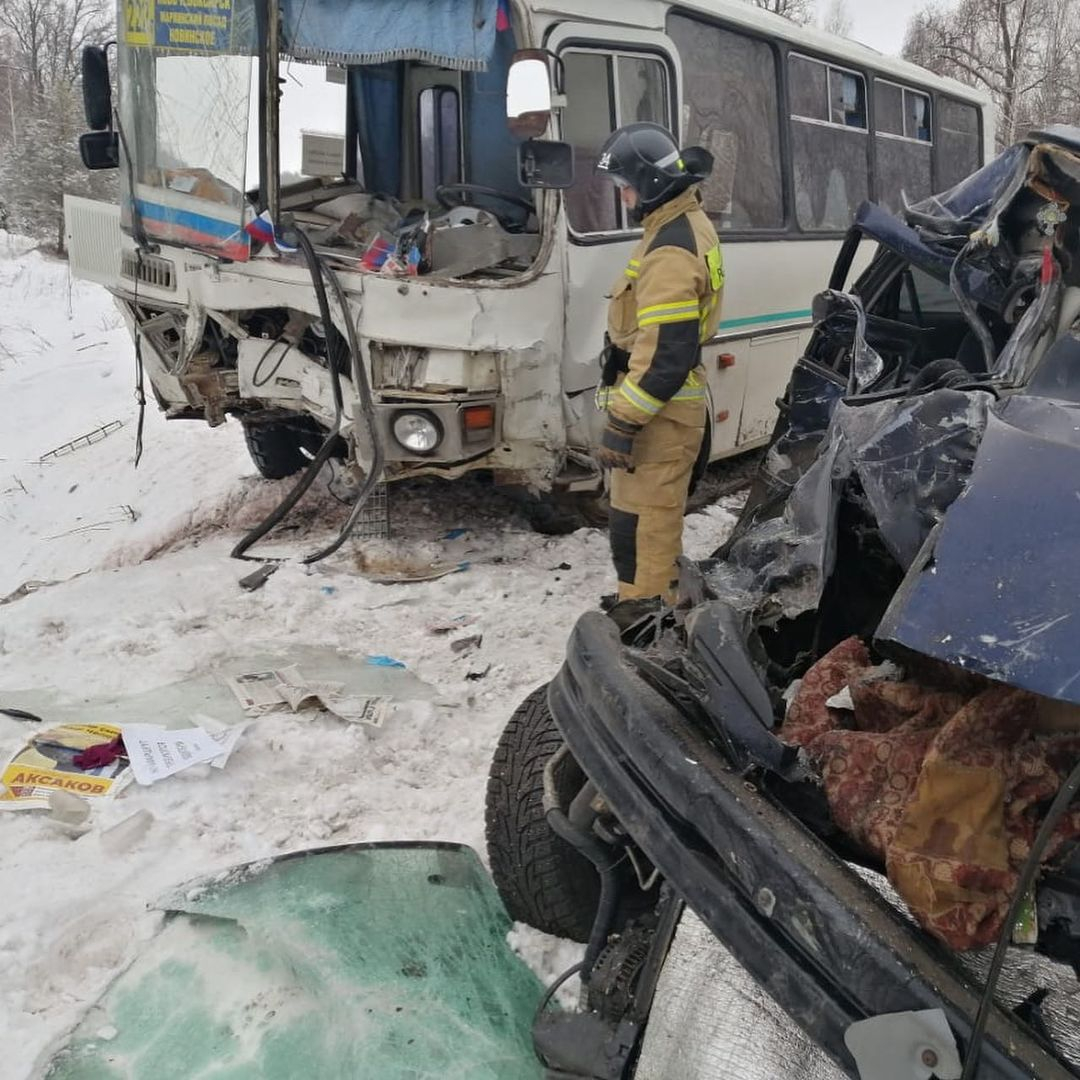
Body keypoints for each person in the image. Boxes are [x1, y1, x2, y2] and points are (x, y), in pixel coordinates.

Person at [593, 122, 724, 604]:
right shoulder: (675, 226)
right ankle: (640, 600)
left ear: (647, 183)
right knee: (635, 520)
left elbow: (665, 353)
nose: (623, 197)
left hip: (658, 417)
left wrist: (623, 423)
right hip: (663, 413)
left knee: (645, 526)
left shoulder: (670, 245)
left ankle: (648, 620)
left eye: (624, 186)